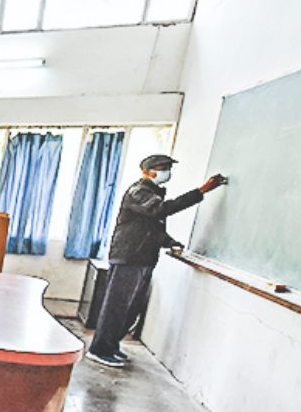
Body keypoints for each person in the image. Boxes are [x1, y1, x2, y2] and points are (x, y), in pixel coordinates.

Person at [86, 155, 228, 368]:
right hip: (128, 257)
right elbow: (161, 210)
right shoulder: (138, 192)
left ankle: (112, 344)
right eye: (161, 168)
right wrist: (201, 191)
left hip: (144, 257)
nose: (166, 172)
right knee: (117, 306)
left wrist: (169, 242)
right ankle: (99, 350)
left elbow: (152, 228)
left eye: (168, 168)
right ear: (146, 172)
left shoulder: (154, 193)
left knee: (131, 308)